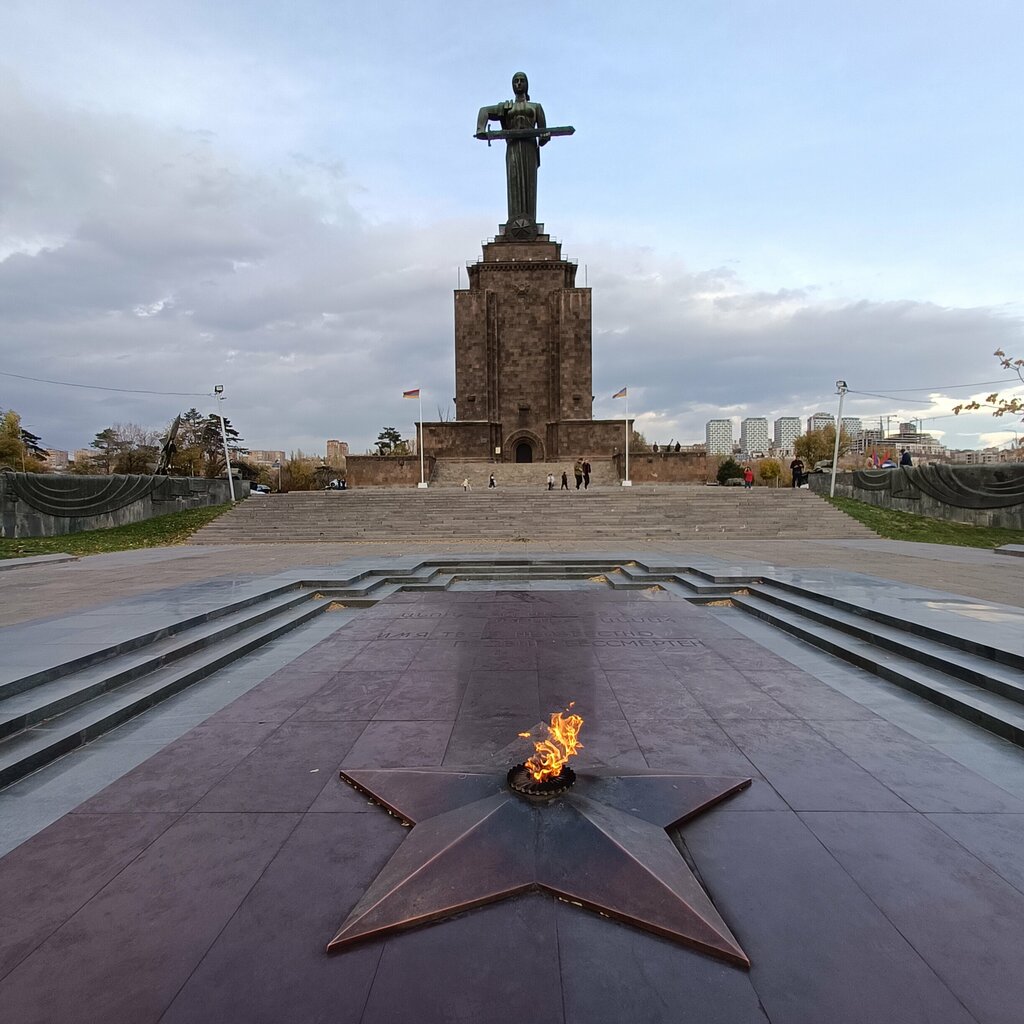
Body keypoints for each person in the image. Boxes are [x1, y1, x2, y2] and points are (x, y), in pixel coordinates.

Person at [475, 72, 549, 227]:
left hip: (529, 147)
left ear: (527, 84)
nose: (519, 83)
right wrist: (481, 129)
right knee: (514, 181)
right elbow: (484, 111)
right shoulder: (506, 107)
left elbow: (543, 136)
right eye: (516, 81)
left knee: (529, 184)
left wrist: (544, 136)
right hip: (513, 147)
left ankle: (529, 223)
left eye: (522, 81)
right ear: (512, 85)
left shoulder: (536, 107)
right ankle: (515, 222)